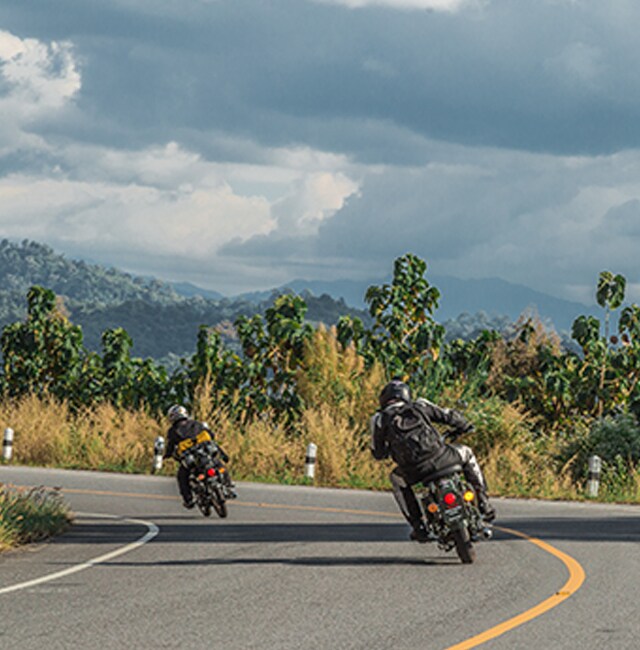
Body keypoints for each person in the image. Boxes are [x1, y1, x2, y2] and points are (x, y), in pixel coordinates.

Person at [371, 379, 495, 543]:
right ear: (406, 395)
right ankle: (484, 504)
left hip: (414, 470)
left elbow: (377, 452)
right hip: (442, 457)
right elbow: (448, 415)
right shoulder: (420, 405)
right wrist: (465, 426)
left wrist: (388, 451)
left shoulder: (379, 419)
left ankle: (418, 526)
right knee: (467, 453)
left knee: (396, 479)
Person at [163, 404, 235, 509]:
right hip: (205, 453)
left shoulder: (173, 431)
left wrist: (167, 455)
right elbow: (211, 435)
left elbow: (170, 447)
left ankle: (188, 499)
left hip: (193, 459)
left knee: (182, 476)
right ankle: (228, 485)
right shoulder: (196, 424)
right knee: (218, 464)